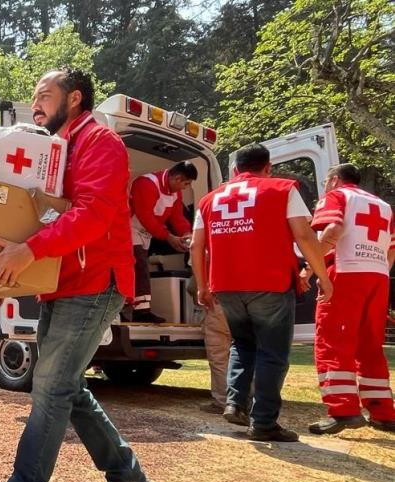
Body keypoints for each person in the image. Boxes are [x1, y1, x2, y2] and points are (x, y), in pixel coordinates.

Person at [0, 69, 157, 482]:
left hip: (95, 283)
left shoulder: (99, 142)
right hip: (63, 284)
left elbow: (95, 213)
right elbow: (45, 211)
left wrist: (29, 251)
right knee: (68, 389)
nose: (36, 104)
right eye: (33, 97)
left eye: (45, 95)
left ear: (76, 98)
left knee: (49, 387)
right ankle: (129, 480)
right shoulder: (57, 150)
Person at [190, 143, 333, 443]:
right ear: (267, 168)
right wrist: (322, 276)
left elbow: (196, 246)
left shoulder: (209, 200)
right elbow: (305, 235)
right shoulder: (283, 189)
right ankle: (264, 422)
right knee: (272, 353)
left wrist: (203, 286)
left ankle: (235, 402)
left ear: (234, 170)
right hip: (270, 284)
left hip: (226, 285)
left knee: (242, 346)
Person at [305, 163, 395, 434]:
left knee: (332, 341)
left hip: (345, 272)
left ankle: (343, 410)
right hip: (378, 277)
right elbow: (392, 250)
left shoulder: (337, 196)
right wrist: (378, 272)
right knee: (370, 344)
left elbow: (332, 231)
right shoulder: (383, 205)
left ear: (334, 180)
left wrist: (309, 267)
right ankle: (383, 411)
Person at [129, 162, 197, 323]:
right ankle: (141, 312)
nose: (185, 188)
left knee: (139, 269)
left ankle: (139, 309)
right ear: (177, 178)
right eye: (186, 183)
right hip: (129, 229)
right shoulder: (146, 183)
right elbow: (145, 216)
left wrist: (187, 235)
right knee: (140, 267)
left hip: (146, 233)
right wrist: (168, 237)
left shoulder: (175, 193)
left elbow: (177, 217)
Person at [186, 275, 232, 414]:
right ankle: (247, 400)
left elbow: (192, 286)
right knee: (246, 353)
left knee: (219, 358)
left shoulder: (207, 254)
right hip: (244, 306)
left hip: (217, 304)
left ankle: (223, 402)